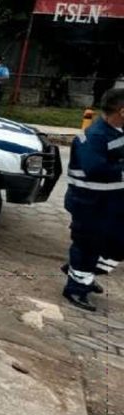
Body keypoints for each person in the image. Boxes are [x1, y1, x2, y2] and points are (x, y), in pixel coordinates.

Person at [60, 87, 124, 312]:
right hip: (89, 204)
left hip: (111, 205)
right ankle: (76, 287)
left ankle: (80, 271)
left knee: (116, 244)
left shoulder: (115, 133)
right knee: (87, 246)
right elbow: (95, 168)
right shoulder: (94, 135)